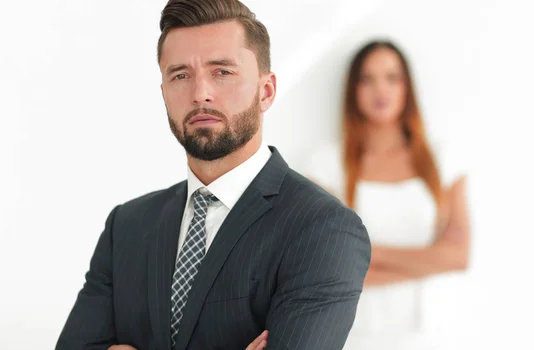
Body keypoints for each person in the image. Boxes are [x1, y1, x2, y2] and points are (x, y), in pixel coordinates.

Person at [55, 1, 371, 349]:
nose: (200, 93)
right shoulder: (126, 226)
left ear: (265, 91)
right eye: (180, 75)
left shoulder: (323, 228)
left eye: (222, 71)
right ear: (164, 93)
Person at [302, 40, 471, 349]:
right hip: (357, 336)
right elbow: (328, 271)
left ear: (407, 87)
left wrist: (366, 252)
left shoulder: (443, 158)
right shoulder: (326, 165)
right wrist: (429, 262)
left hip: (432, 334)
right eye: (368, 79)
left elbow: (458, 256)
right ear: (353, 89)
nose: (381, 89)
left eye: (392, 77)